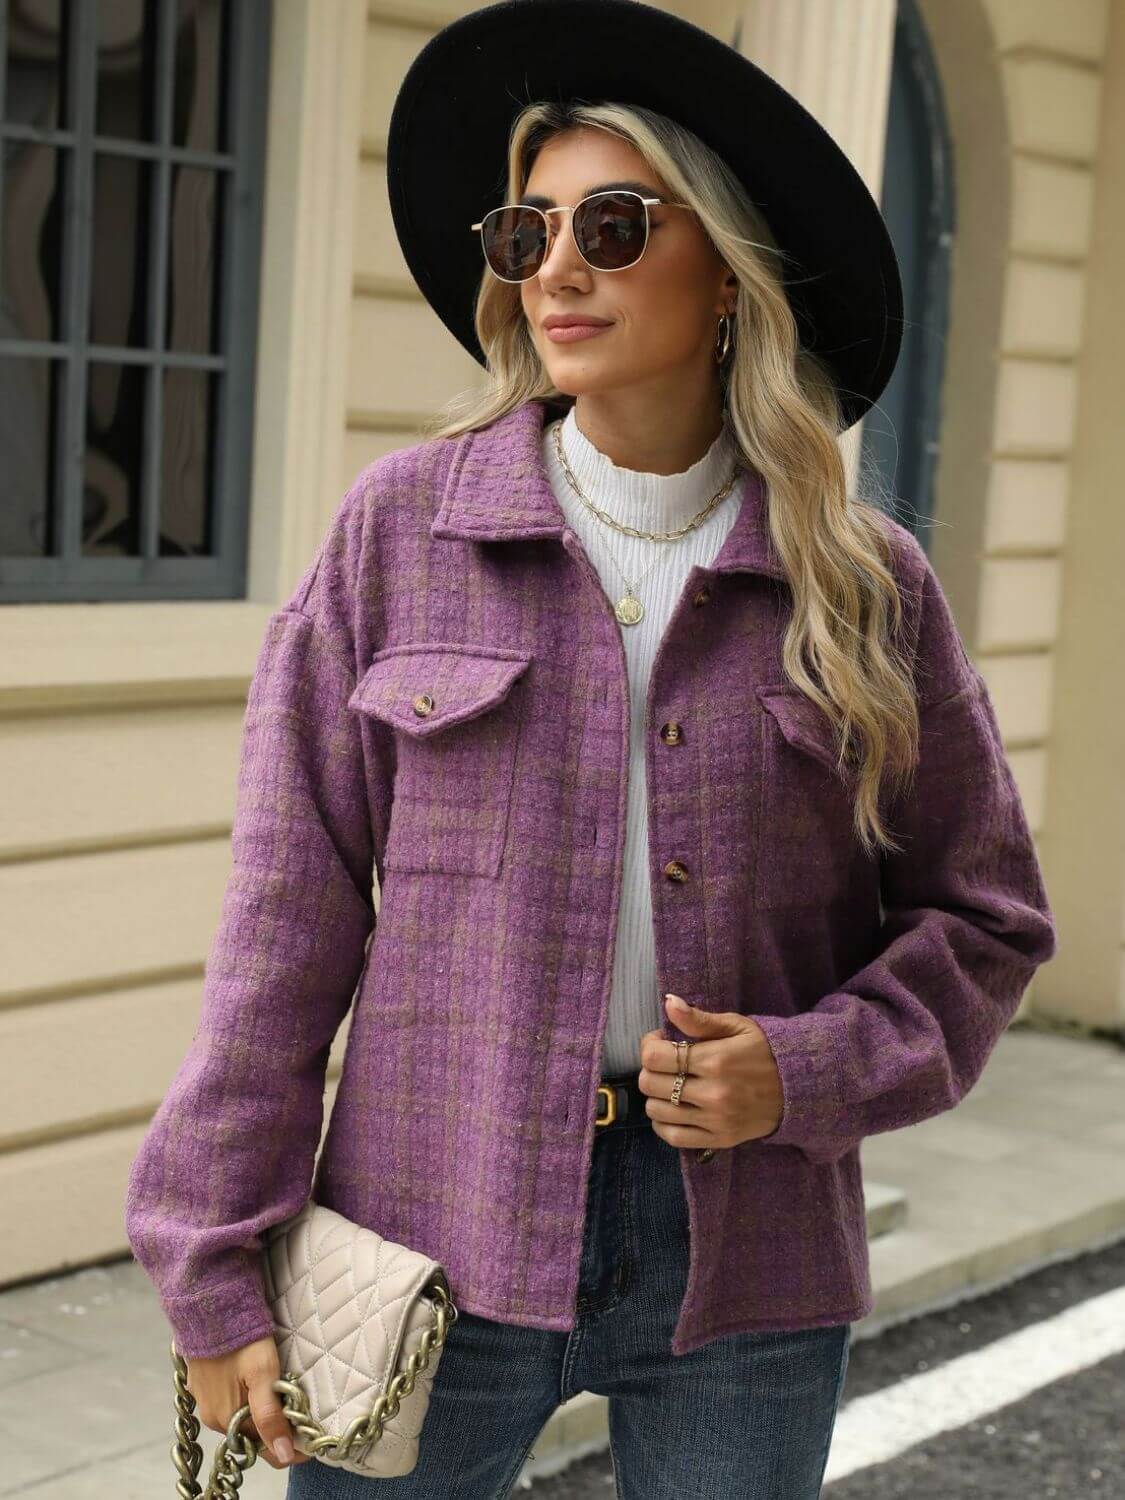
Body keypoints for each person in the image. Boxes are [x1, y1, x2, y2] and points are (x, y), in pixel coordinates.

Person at [123, 3, 1058, 1497]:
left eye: (614, 226)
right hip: (430, 1224)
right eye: (526, 230)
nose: (556, 266)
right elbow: (283, 924)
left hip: (746, 1256)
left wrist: (808, 1072)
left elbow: (985, 914)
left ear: (730, 275)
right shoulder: (400, 535)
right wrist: (214, 1258)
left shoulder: (860, 581)